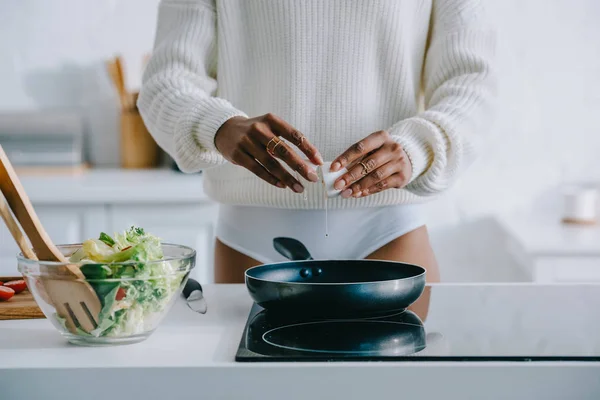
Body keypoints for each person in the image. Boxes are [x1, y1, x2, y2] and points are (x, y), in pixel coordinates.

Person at [138, 0, 497, 283]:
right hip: (251, 240)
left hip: (389, 230)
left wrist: (417, 147)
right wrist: (217, 126)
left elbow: (472, 83)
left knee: (396, 380)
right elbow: (166, 80)